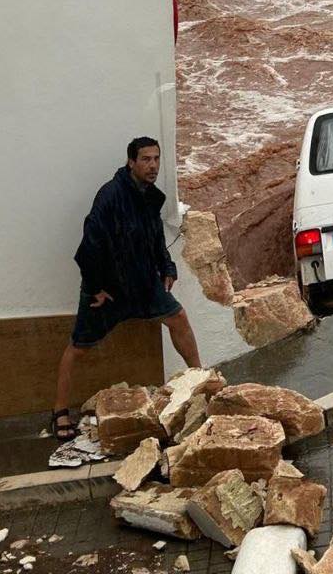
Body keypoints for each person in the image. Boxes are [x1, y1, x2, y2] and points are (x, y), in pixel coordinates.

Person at [52, 137, 201, 441]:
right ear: (131, 162)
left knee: (178, 318)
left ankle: (202, 381)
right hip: (108, 290)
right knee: (77, 347)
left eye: (157, 159)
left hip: (143, 283)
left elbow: (155, 237)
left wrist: (167, 267)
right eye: (146, 159)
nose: (153, 166)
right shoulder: (110, 196)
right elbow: (88, 245)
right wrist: (95, 288)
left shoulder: (149, 196)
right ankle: (59, 411)